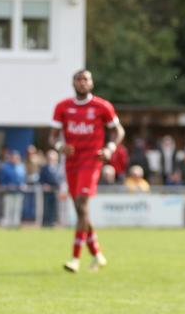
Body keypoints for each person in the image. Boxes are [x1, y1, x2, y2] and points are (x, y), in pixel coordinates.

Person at [49, 69, 125, 273]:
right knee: (80, 210)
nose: (82, 83)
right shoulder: (62, 107)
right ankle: (98, 254)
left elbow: (118, 131)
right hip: (71, 162)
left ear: (91, 83)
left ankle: (75, 258)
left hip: (91, 161)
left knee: (82, 203)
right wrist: (59, 147)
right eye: (78, 80)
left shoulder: (102, 106)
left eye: (86, 79)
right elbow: (52, 137)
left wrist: (110, 148)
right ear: (73, 83)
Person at [0, 150, 25, 228]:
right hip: (8, 191)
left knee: (17, 208)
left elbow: (23, 178)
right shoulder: (6, 167)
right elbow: (2, 179)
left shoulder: (21, 166)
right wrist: (6, 185)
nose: (14, 159)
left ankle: (16, 223)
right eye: (13, 157)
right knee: (8, 208)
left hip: (18, 191)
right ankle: (8, 224)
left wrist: (22, 185)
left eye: (16, 157)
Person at [39, 150, 62, 227]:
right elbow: (41, 180)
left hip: (56, 191)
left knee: (56, 207)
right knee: (46, 207)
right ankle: (45, 222)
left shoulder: (60, 168)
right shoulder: (44, 168)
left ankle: (54, 222)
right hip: (47, 191)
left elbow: (61, 179)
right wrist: (44, 185)